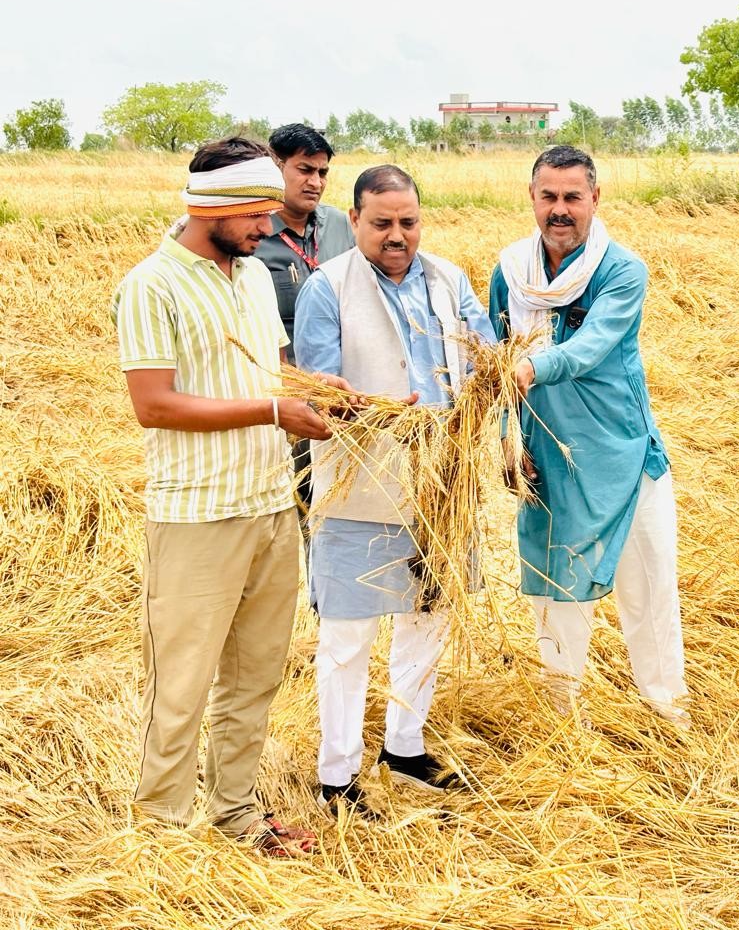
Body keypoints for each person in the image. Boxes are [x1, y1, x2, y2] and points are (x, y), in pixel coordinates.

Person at [112, 136, 350, 857]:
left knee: (253, 682)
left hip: (273, 507)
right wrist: (276, 413)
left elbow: (273, 371)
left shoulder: (249, 276)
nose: (270, 229)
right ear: (218, 205)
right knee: (179, 688)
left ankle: (236, 816)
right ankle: (158, 835)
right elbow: (155, 405)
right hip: (196, 518)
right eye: (259, 213)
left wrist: (323, 391)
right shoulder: (150, 285)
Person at [295, 165, 494, 818]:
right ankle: (338, 776)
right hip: (360, 492)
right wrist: (367, 408)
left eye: (408, 222)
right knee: (347, 639)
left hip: (440, 489)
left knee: (427, 621)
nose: (397, 235)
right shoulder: (327, 289)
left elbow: (483, 352)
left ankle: (404, 747)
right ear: (354, 221)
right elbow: (319, 389)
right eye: (381, 223)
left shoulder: (449, 279)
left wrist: (488, 381)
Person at [488, 145, 689, 727]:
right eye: (548, 196)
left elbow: (592, 344)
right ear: (531, 198)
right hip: (550, 455)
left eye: (572, 197)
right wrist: (508, 436)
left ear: (595, 200)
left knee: (648, 592)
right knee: (555, 590)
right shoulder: (511, 273)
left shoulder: (621, 271)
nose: (560, 209)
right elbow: (500, 360)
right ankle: (561, 720)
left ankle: (668, 711)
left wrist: (533, 367)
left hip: (625, 455)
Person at [255, 123, 356, 515]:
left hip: (345, 392)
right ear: (275, 168)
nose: (315, 182)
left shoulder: (342, 226)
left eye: (323, 172)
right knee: (303, 502)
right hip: (288, 396)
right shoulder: (253, 232)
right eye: (304, 170)